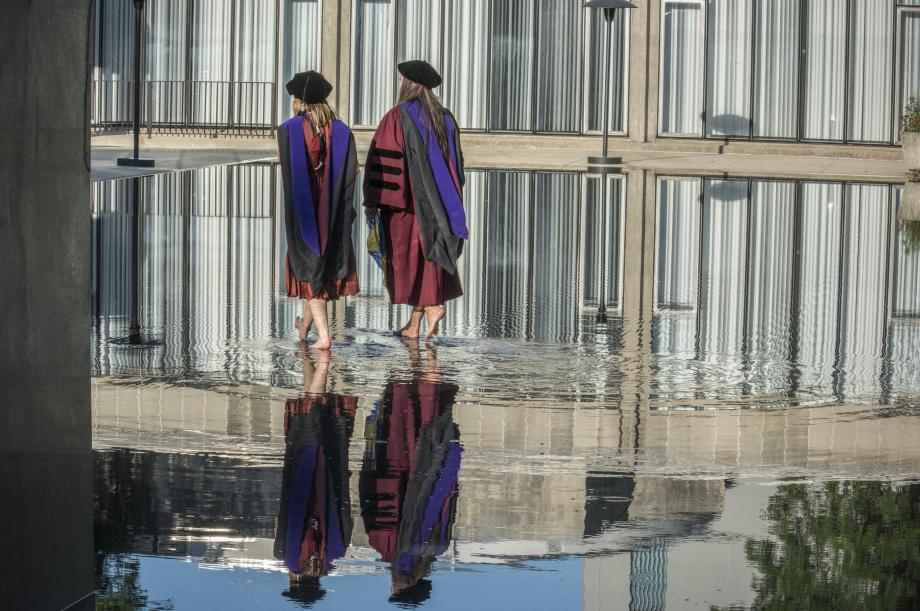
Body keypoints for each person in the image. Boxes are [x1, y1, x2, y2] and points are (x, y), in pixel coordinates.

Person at [363, 60, 468, 339]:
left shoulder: (397, 117)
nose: (399, 84)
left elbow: (384, 162)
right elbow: (457, 167)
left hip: (407, 206)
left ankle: (433, 307)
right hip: (441, 205)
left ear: (410, 84)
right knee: (429, 259)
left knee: (413, 262)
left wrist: (374, 201)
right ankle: (414, 325)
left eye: (401, 80)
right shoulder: (444, 117)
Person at [359, 344, 462, 603]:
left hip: (424, 465)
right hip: (398, 467)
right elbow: (371, 500)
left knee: (424, 413)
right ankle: (418, 355)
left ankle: (423, 357)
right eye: (396, 589)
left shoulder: (437, 546)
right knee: (409, 414)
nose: (392, 586)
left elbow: (448, 502)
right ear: (403, 585)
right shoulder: (391, 551)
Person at [279, 70, 359, 350]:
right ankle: (305, 328)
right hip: (334, 212)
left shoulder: (289, 129)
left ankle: (324, 337)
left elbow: (291, 176)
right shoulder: (342, 131)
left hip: (306, 213)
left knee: (311, 265)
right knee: (319, 271)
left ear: (299, 101)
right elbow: (352, 173)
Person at [274, 352, 357, 604]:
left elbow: (347, 514)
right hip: (302, 476)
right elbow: (280, 518)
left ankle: (315, 358)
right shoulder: (285, 555)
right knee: (309, 416)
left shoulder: (337, 552)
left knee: (320, 416)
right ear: (297, 581)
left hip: (330, 476)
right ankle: (319, 358)